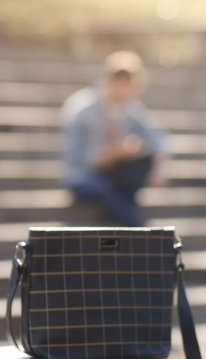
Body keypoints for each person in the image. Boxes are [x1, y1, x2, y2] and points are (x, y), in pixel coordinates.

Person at [61, 51, 168, 227]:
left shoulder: (130, 108)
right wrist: (112, 153)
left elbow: (157, 137)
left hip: (111, 175)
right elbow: (78, 158)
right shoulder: (81, 109)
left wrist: (159, 166)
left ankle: (125, 221)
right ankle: (138, 227)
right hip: (83, 176)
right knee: (109, 192)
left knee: (141, 161)